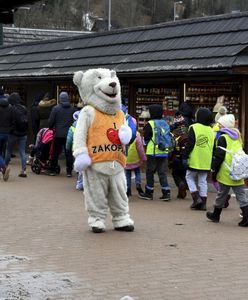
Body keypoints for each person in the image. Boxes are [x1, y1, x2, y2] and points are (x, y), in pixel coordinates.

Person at [206, 114, 248, 227]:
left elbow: (219, 156)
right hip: (238, 170)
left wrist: (214, 169)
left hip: (226, 170)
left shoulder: (222, 138)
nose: (218, 126)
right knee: (241, 195)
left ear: (224, 126)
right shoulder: (238, 135)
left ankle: (216, 214)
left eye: (220, 124)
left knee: (222, 194)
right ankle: (246, 216)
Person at [183, 107, 215, 210]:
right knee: (203, 180)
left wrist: (185, 156)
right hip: (206, 159)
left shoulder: (194, 127)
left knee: (189, 177)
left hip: (195, 158)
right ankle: (204, 203)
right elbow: (213, 147)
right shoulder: (211, 130)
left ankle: (196, 198)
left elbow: (190, 144)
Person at [139, 104, 171, 201]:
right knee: (162, 172)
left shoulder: (150, 123)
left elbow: (146, 138)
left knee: (150, 172)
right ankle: (166, 192)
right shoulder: (165, 123)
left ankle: (149, 192)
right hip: (164, 151)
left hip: (153, 152)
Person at [48, 91, 76, 176]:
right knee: (68, 153)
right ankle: (69, 172)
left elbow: (51, 121)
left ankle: (52, 170)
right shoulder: (72, 109)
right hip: (69, 135)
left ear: (60, 99)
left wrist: (50, 128)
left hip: (58, 134)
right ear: (68, 98)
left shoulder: (55, 109)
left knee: (55, 153)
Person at [5, 92, 28, 178]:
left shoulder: (11, 108)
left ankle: (5, 168)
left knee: (8, 151)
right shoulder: (24, 108)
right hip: (23, 134)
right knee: (22, 152)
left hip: (13, 134)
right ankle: (24, 170)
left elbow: (9, 121)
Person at [169, 111, 189, 199]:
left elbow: (170, 147)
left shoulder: (173, 132)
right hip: (186, 156)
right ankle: (183, 186)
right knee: (184, 173)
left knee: (175, 173)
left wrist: (169, 159)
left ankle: (181, 185)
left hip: (176, 157)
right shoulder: (188, 131)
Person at [125, 118, 146, 197]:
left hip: (126, 159)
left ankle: (128, 189)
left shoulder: (124, 134)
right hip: (135, 158)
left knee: (127, 174)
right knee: (137, 172)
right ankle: (138, 184)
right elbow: (140, 148)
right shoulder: (137, 135)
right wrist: (143, 157)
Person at [66, 110, 83, 190]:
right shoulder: (88, 124)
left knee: (79, 166)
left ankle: (79, 183)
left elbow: (69, 140)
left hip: (76, 148)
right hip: (86, 148)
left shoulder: (73, 127)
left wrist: (68, 148)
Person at [0, 88, 14, 181]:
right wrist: (9, 130)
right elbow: (13, 121)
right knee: (2, 152)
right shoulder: (10, 107)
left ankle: (4, 167)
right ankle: (3, 171)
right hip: (7, 133)